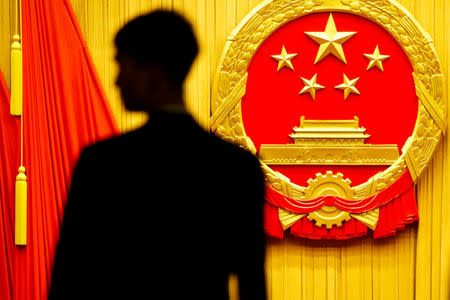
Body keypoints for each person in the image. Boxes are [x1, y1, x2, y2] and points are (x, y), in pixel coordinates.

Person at [49, 10, 267, 300]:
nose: (116, 81)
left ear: (153, 73)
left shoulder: (102, 164)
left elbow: (70, 278)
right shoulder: (238, 167)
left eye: (123, 66)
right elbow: (252, 284)